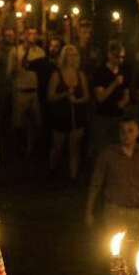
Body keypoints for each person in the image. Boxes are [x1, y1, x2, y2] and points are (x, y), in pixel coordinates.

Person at [85, 119, 139, 240]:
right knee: (115, 251)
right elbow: (96, 182)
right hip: (114, 210)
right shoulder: (108, 154)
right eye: (123, 131)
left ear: (138, 132)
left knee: (135, 248)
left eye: (130, 131)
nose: (126, 135)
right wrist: (89, 210)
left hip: (137, 211)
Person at [47, 44, 94, 180]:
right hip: (61, 115)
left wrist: (77, 101)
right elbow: (49, 97)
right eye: (69, 55)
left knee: (75, 148)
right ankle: (52, 169)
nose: (72, 58)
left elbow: (86, 96)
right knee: (58, 146)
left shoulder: (81, 75)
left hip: (77, 116)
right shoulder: (57, 75)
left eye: (74, 55)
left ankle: (73, 178)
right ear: (64, 57)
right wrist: (64, 95)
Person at [91, 40, 131, 164]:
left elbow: (127, 93)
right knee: (103, 152)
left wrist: (123, 102)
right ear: (109, 55)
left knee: (117, 152)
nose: (120, 60)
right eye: (117, 56)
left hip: (118, 117)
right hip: (103, 117)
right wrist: (114, 83)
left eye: (122, 57)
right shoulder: (100, 72)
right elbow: (100, 97)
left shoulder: (123, 71)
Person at [11, 27, 46, 157]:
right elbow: (11, 72)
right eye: (29, 33)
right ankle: (20, 147)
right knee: (19, 123)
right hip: (21, 91)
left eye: (34, 33)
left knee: (36, 122)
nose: (32, 36)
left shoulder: (40, 52)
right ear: (25, 35)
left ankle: (31, 148)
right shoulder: (16, 51)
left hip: (34, 91)